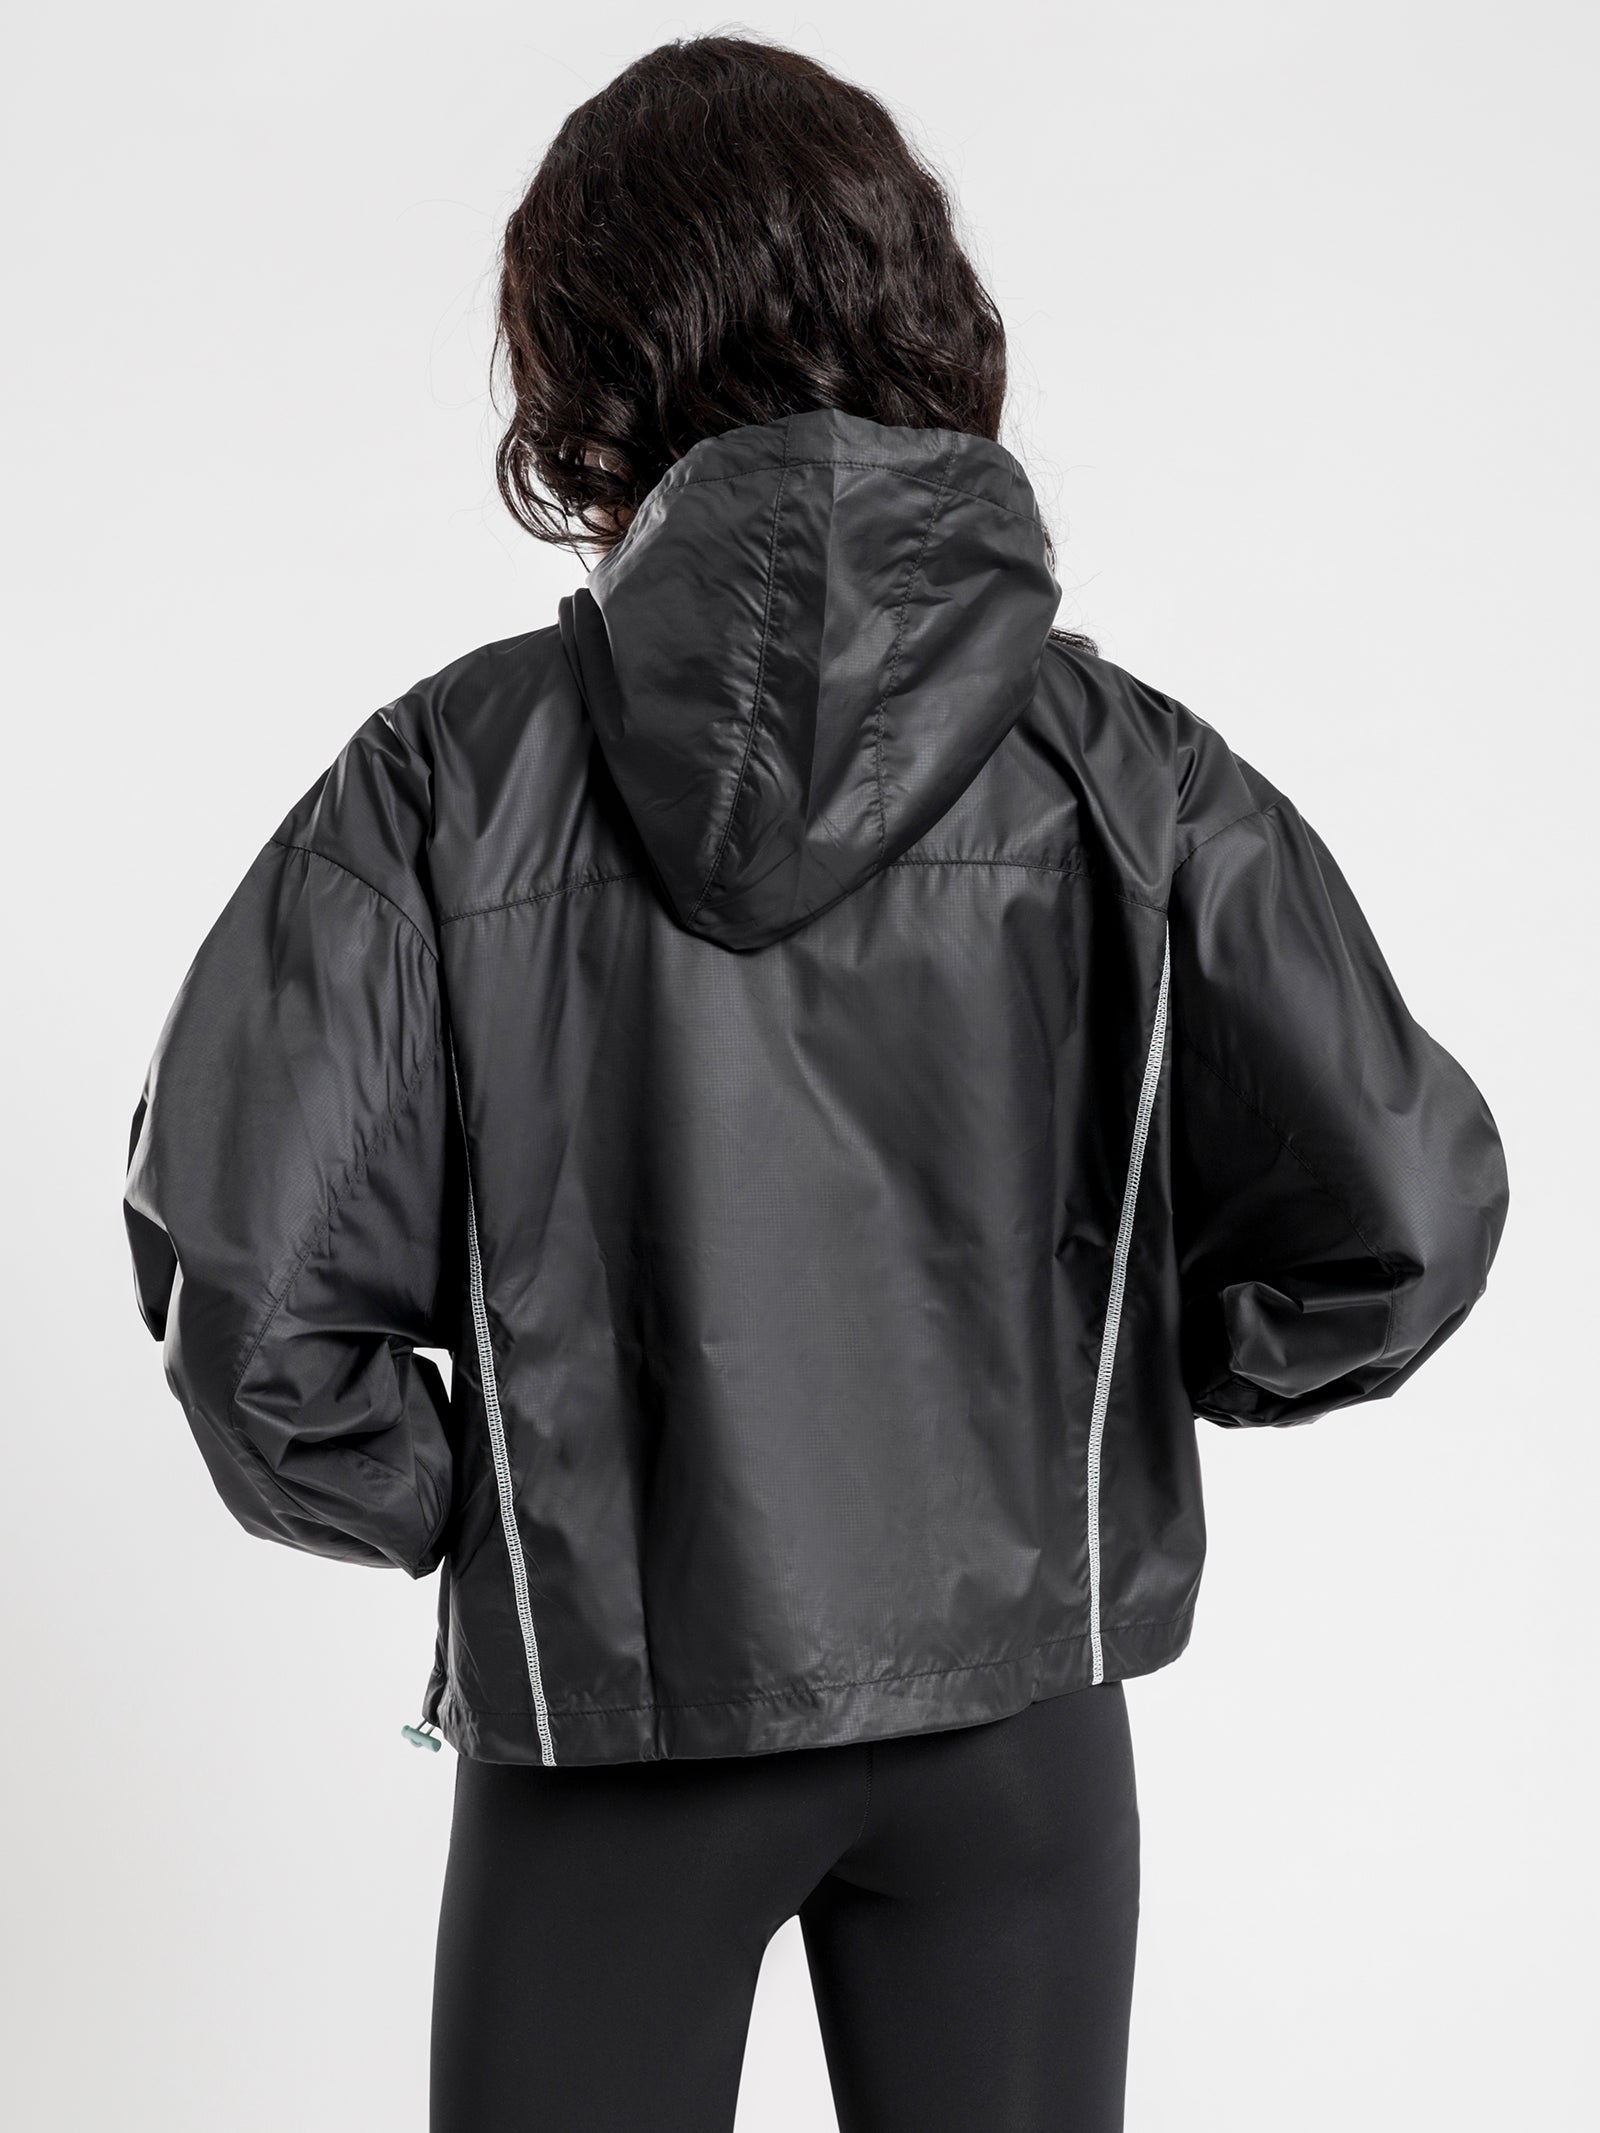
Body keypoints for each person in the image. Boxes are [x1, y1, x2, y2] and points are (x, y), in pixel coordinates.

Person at [122, 35, 1509, 2133]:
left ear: (587, 366)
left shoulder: (438, 783)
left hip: (619, 1722)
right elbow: (1401, 1206)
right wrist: (1104, 1392)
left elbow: (246, 1293)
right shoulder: (1127, 774)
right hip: (1015, 1730)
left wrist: (475, 1496)